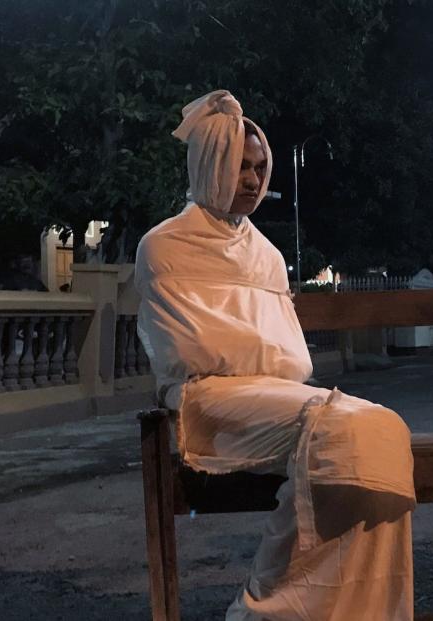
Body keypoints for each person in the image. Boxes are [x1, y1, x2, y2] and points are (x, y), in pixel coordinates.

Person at [135, 90, 415, 621]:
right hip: (207, 402)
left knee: (381, 430)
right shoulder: (163, 245)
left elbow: (289, 361)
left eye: (260, 167)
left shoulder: (266, 253)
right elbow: (192, 353)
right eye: (239, 165)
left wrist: (254, 352)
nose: (253, 180)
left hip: (280, 397)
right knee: (343, 432)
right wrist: (258, 354)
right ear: (207, 162)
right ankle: (265, 608)